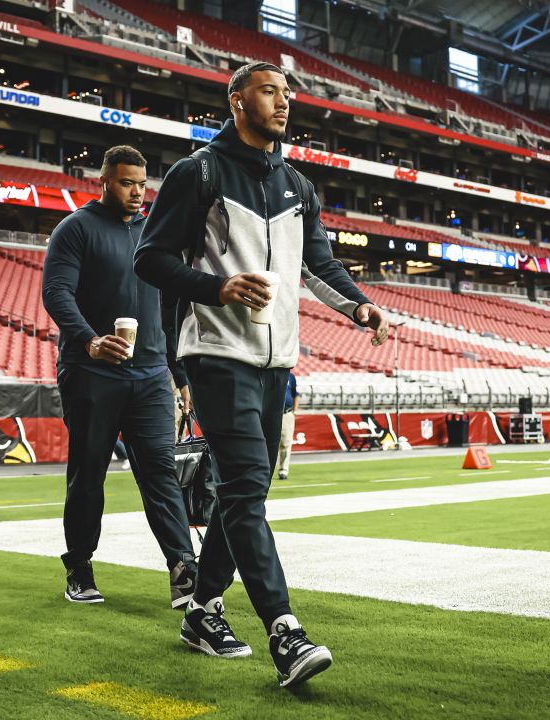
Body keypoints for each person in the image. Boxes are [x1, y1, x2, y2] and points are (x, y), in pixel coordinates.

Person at [135, 61, 390, 687]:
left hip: (278, 361)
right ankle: (285, 632)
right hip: (217, 354)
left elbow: (319, 265)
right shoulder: (196, 173)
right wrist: (218, 289)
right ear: (237, 99)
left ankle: (202, 610)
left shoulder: (298, 185)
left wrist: (359, 305)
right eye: (270, 91)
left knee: (242, 491)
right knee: (247, 485)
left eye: (287, 94)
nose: (283, 103)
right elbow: (151, 259)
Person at [42, 144, 198, 609]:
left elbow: (171, 310)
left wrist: (180, 373)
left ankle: (183, 568)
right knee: (88, 475)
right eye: (127, 183)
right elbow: (56, 293)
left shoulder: (156, 234)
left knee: (160, 472)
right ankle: (80, 565)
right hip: (91, 372)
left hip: (151, 375)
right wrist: (90, 339)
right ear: (105, 181)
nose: (137, 192)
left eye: (142, 184)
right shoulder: (75, 229)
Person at [277, 372, 299, 479]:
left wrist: (295, 411)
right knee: (267, 442)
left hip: (287, 413)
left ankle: (283, 471)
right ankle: (265, 470)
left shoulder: (291, 376)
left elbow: (296, 394)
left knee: (286, 443)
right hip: (272, 413)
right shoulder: (271, 372)